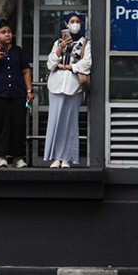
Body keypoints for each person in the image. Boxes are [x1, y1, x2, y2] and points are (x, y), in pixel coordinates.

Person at [0, 20, 34, 168]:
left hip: (17, 93)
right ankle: (1, 156)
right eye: (3, 32)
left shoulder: (18, 51)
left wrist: (29, 90)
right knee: (0, 125)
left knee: (19, 124)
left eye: (8, 32)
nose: (7, 35)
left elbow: (26, 71)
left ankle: (18, 157)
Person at [44, 12, 92, 168]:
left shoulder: (85, 43)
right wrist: (60, 48)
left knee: (70, 124)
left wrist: (69, 66)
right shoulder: (58, 42)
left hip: (74, 87)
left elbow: (86, 64)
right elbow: (50, 64)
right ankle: (55, 157)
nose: (75, 24)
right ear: (66, 24)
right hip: (56, 86)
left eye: (77, 21)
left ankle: (66, 158)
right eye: (72, 21)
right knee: (55, 122)